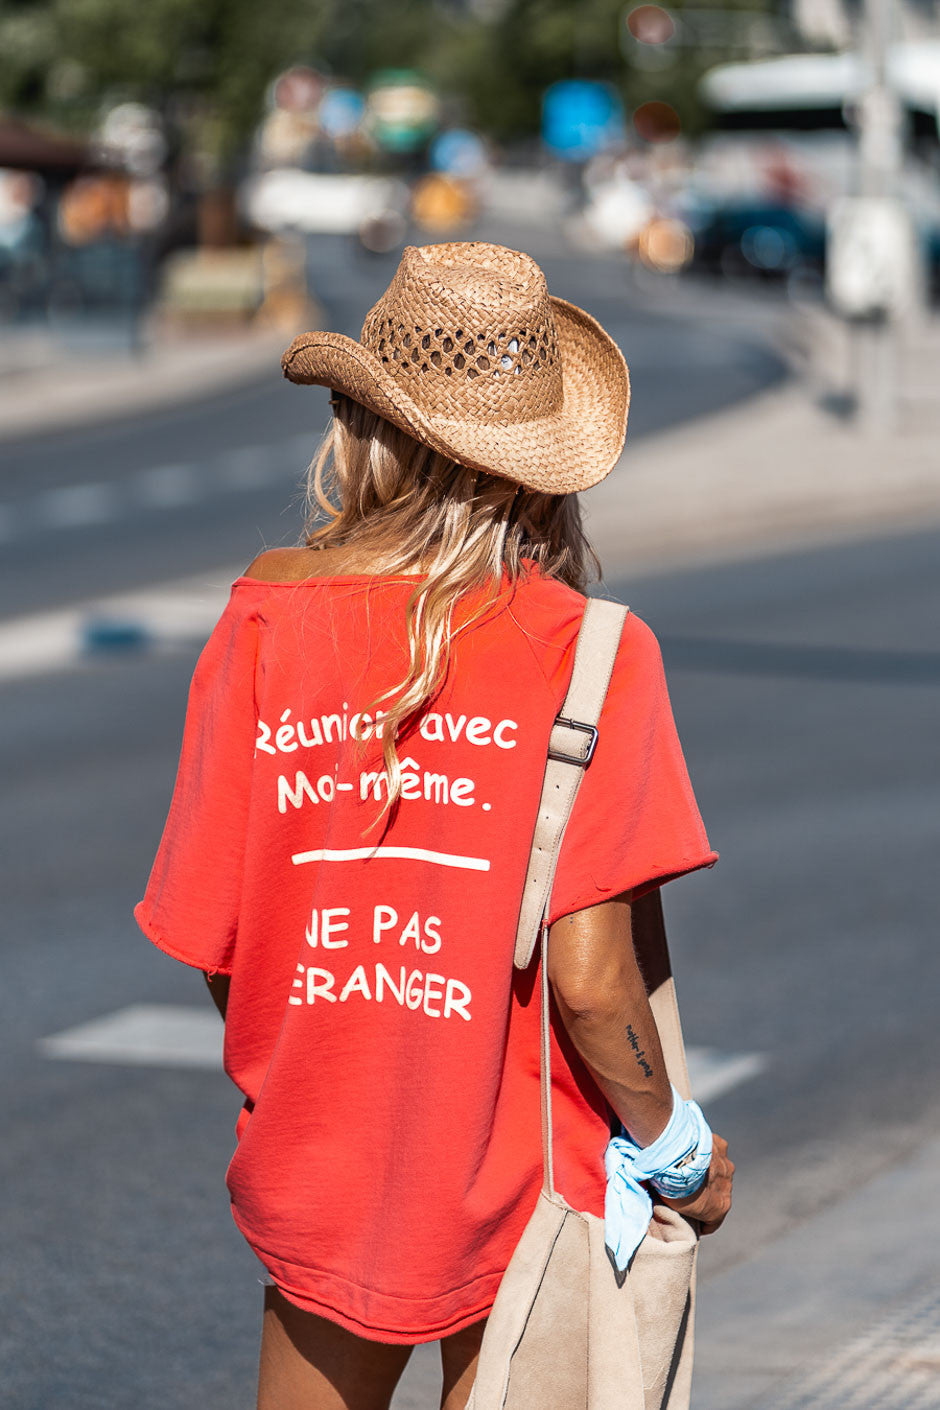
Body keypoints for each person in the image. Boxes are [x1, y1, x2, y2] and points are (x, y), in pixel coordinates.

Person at [134, 242, 733, 1410]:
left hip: (326, 1160)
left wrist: (325, 1064)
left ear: (360, 423)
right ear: (541, 462)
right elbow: (591, 982)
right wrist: (677, 1152)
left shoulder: (260, 620)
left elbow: (220, 938)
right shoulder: (594, 652)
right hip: (531, 1183)